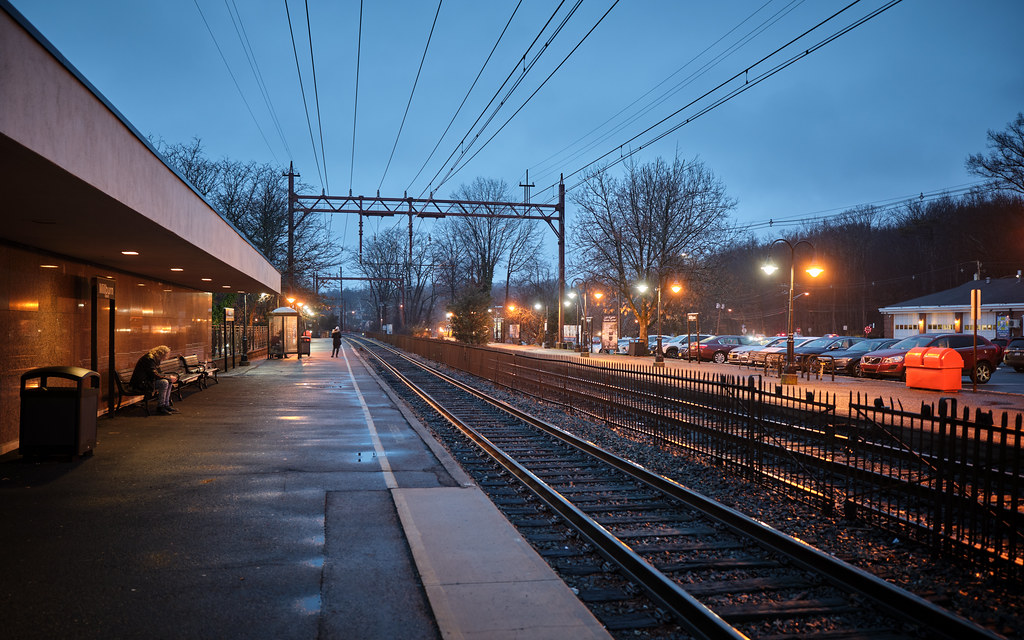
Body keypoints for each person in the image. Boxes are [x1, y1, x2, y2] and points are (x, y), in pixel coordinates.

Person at [130, 345, 178, 415]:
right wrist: (167, 377)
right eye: (166, 355)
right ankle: (160, 406)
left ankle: (166, 405)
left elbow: (158, 373)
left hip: (148, 381)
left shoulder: (155, 359)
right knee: (164, 382)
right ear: (162, 354)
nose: (166, 357)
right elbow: (153, 374)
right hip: (141, 383)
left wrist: (168, 377)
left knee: (169, 381)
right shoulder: (149, 359)